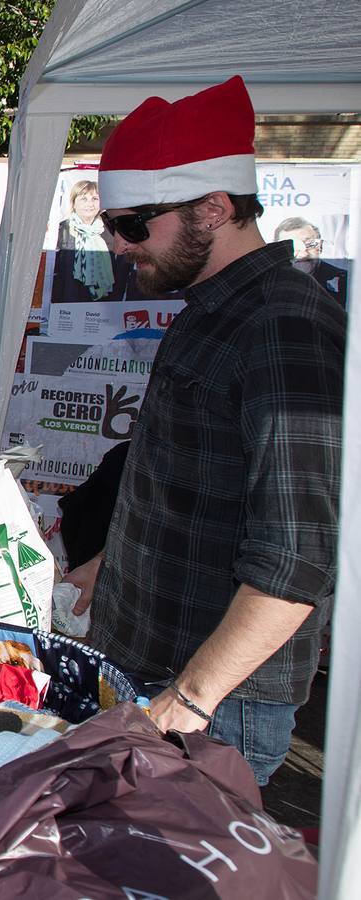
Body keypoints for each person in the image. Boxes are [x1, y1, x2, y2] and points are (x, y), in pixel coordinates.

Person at [65, 76, 343, 785]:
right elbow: (194, 475)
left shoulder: (286, 327)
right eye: (108, 227)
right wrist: (113, 560)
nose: (118, 245)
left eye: (132, 224)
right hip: (154, 669)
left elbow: (296, 555)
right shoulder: (212, 306)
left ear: (214, 208)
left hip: (207, 701)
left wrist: (191, 697)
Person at [51, 178, 130, 303]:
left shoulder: (111, 231)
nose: (90, 204)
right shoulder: (61, 229)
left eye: (95, 199)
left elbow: (121, 270)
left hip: (102, 304)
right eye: (83, 199)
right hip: (66, 302)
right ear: (74, 203)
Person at [271, 216, 348, 306]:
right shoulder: (266, 283)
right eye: (292, 246)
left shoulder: (345, 281)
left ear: (320, 246)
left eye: (310, 244)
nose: (303, 254)